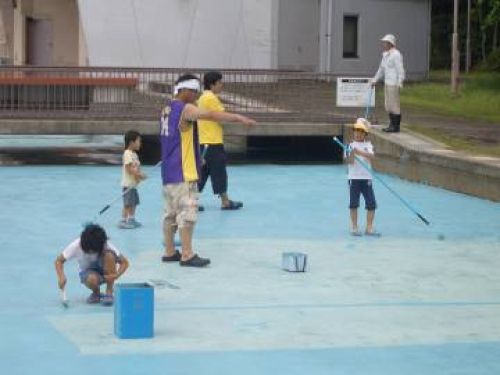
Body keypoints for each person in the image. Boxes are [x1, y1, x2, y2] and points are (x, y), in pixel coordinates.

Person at [159, 73, 256, 267]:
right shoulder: (184, 108)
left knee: (170, 214)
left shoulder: (166, 108)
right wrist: (237, 117)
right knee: (188, 213)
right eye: (194, 92)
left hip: (168, 172)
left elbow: (181, 137)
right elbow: (210, 115)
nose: (196, 97)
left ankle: (170, 251)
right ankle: (187, 254)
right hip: (183, 172)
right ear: (185, 91)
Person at [198, 71, 248, 210]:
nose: (221, 85)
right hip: (212, 142)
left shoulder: (203, 98)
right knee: (218, 172)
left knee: (203, 172)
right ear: (212, 84)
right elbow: (221, 116)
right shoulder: (210, 98)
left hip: (206, 142)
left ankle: (192, 200)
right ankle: (224, 202)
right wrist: (240, 118)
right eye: (219, 82)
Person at [54, 224, 129, 306]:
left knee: (109, 256)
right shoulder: (75, 245)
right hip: (88, 272)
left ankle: (109, 292)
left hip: (105, 271)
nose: (90, 252)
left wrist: (116, 275)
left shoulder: (105, 244)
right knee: (91, 279)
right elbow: (59, 261)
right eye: (88, 250)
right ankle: (96, 293)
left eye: (93, 250)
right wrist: (61, 276)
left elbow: (124, 262)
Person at [344, 118, 380, 237]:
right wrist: (351, 154)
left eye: (361, 131)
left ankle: (369, 227)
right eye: (356, 130)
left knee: (371, 204)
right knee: (353, 203)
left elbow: (372, 156)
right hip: (354, 179)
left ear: (365, 133)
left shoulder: (369, 145)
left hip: (367, 179)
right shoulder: (349, 145)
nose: (358, 133)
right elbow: (348, 161)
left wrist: (359, 152)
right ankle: (354, 227)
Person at [371, 34, 405, 133]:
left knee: (394, 105)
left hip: (394, 84)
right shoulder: (385, 55)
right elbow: (381, 69)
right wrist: (375, 80)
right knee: (388, 105)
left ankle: (396, 126)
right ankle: (391, 124)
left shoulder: (396, 54)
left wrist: (400, 82)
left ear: (390, 43)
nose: (383, 44)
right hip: (387, 83)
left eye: (385, 43)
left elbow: (400, 69)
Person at [119, 130, 147, 229]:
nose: (140, 143)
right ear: (131, 142)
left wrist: (139, 177)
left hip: (133, 185)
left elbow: (136, 168)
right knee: (128, 204)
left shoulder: (135, 155)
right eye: (138, 141)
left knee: (134, 202)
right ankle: (123, 220)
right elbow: (128, 168)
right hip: (128, 184)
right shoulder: (127, 153)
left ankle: (131, 219)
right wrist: (139, 174)